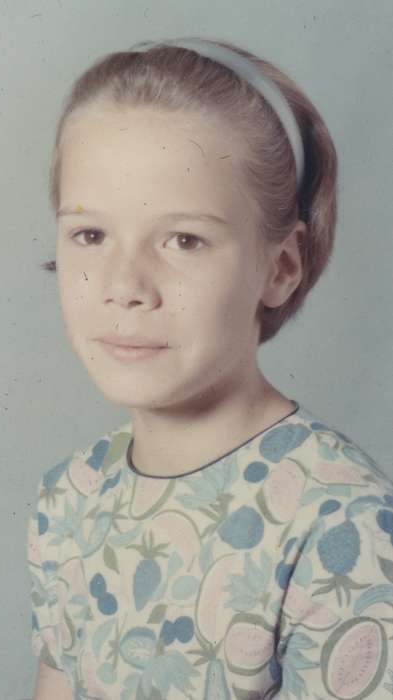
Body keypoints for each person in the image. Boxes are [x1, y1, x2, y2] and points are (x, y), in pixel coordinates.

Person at [27, 36, 393, 700]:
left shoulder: (338, 525)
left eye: (184, 240)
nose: (124, 284)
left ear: (279, 267)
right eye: (90, 234)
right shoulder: (69, 497)